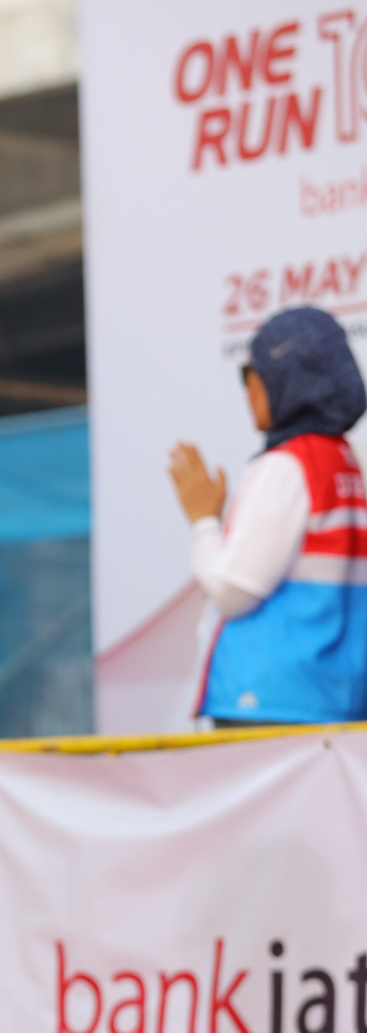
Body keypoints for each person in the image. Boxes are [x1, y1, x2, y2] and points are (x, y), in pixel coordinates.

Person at [169, 305, 367, 726]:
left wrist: (204, 521)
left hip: (267, 702)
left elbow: (231, 591)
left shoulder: (286, 465)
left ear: (285, 379)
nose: (247, 389)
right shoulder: (345, 461)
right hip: (333, 699)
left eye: (251, 373)